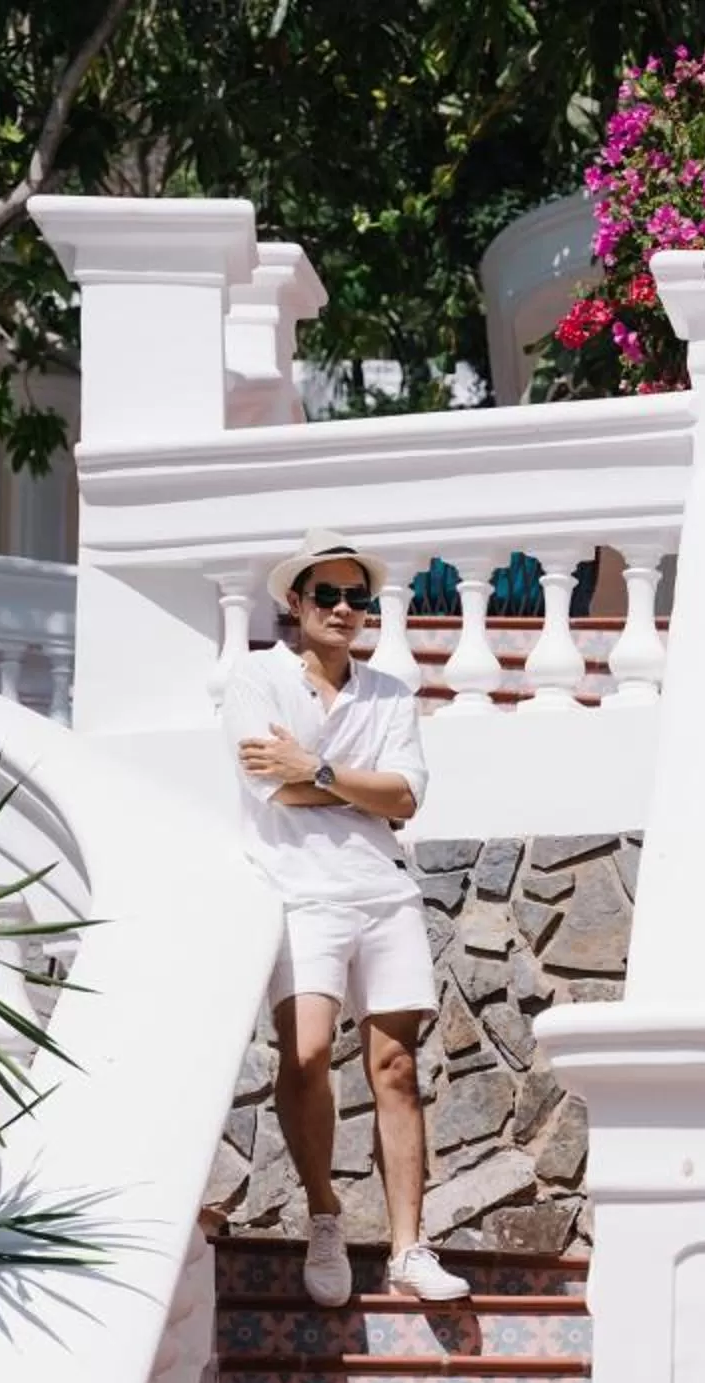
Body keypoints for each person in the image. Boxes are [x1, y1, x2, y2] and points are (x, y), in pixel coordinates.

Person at [222, 530, 472, 1307]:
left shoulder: (390, 693)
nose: (342, 609)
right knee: (304, 1057)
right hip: (299, 891)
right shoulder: (255, 679)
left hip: (383, 891)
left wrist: (319, 769)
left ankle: (408, 1248)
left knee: (395, 1067)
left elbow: (406, 797)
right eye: (326, 594)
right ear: (296, 602)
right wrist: (357, 788)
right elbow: (273, 787)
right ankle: (325, 1214)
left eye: (355, 597)